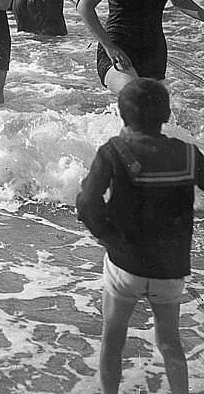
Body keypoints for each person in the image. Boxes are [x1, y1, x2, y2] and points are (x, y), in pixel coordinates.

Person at [76, 78, 203, 394]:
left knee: (113, 338)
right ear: (167, 114)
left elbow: (87, 203)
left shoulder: (114, 151)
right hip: (170, 269)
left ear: (121, 116)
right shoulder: (188, 155)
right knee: (170, 342)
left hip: (125, 265)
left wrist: (107, 236)